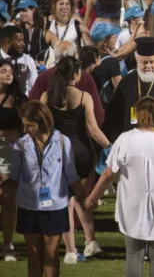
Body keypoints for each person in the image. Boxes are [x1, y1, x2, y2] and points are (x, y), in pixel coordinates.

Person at [85, 96, 154, 275]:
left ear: (136, 115)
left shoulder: (125, 139)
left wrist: (93, 196)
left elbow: (108, 174)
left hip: (132, 205)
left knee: (134, 255)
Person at [40, 56, 111, 263]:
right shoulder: (84, 96)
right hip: (81, 152)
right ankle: (90, 242)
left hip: (56, 152)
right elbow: (94, 130)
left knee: (65, 202)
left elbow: (42, 128)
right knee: (80, 197)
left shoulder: (47, 96)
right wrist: (111, 147)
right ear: (76, 74)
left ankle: (71, 250)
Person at [9, 101, 87, 277]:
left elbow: (71, 175)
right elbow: (13, 177)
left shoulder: (62, 141)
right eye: (24, 125)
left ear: (42, 122)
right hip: (28, 206)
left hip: (55, 207)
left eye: (30, 125)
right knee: (34, 254)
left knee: (51, 255)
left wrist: (84, 197)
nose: (26, 129)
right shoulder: (21, 145)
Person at [104, 37, 154, 140]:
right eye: (144, 62)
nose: (148, 66)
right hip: (130, 137)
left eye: (152, 62)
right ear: (137, 61)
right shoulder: (126, 82)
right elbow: (114, 115)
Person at [0, 59, 26, 262]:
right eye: (3, 71)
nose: (9, 74)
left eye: (10, 71)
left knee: (8, 200)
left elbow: (26, 127)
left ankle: (8, 244)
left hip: (11, 147)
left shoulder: (19, 98)